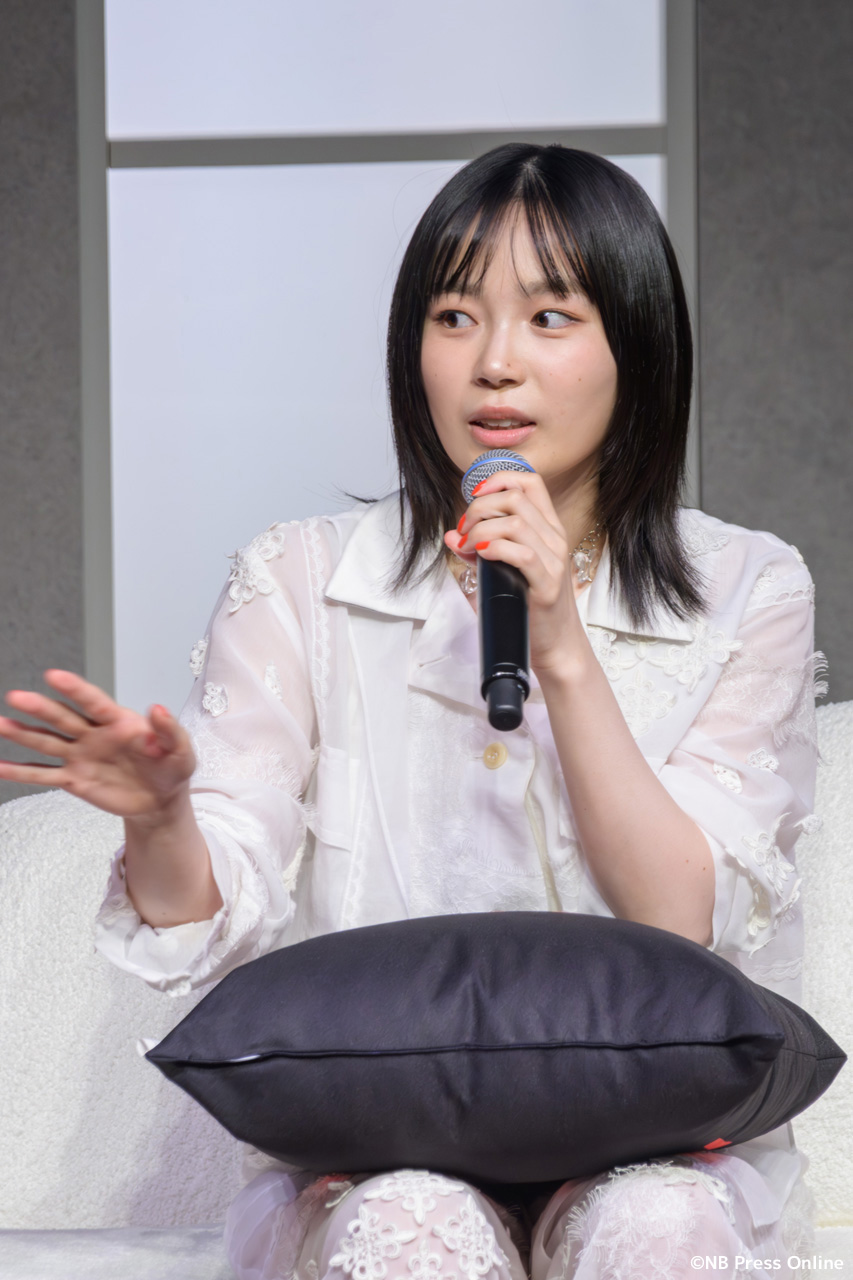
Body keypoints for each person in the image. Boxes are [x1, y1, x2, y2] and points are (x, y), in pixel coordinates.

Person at [0, 144, 824, 1278]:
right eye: (452, 316)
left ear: (635, 346)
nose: (494, 364)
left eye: (549, 317)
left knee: (658, 1226)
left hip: (656, 1134)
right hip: (376, 1144)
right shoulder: (299, 576)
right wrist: (160, 818)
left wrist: (559, 647)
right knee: (409, 1227)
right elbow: (211, 915)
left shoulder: (746, 587)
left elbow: (681, 922)